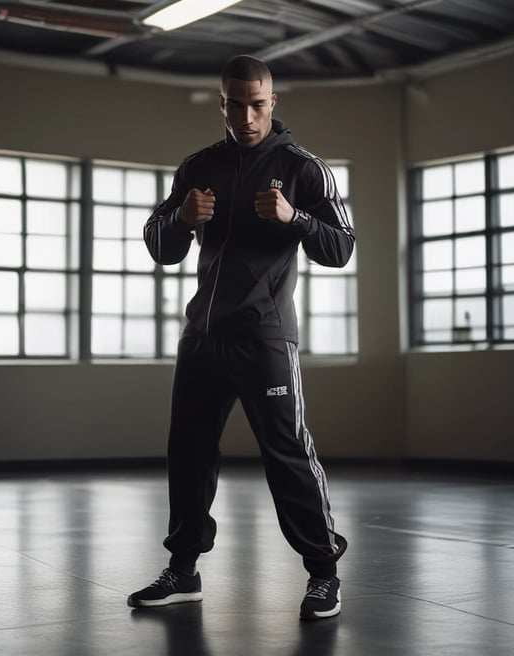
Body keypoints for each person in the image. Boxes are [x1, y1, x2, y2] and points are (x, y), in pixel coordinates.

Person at [128, 54, 355, 621]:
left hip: (266, 339)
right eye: (236, 104)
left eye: (258, 105)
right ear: (222, 103)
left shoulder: (305, 169)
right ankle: (183, 572)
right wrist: (181, 218)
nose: (247, 116)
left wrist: (294, 219)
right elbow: (160, 245)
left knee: (286, 453)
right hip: (202, 336)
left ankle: (323, 574)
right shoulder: (199, 165)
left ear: (273, 104)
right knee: (189, 450)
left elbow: (341, 247)